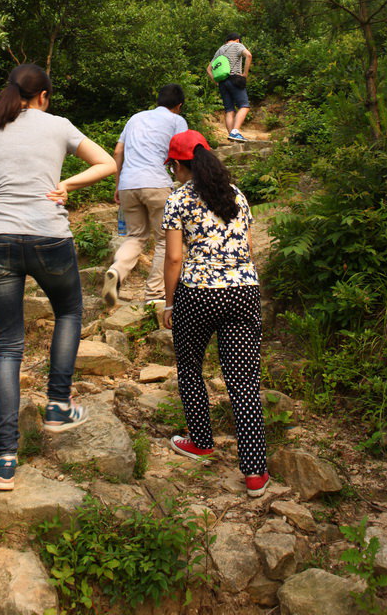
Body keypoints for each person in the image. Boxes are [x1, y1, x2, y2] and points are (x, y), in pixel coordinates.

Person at [0, 64, 116, 492]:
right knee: (69, 311)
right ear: (43, 96)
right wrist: (67, 184)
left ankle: (6, 459)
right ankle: (58, 406)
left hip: (0, 240)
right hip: (50, 237)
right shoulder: (60, 126)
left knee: (7, 347)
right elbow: (107, 163)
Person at [161, 130, 269, 498]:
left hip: (199, 294)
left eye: (172, 167)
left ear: (178, 165)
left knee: (190, 366)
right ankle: (255, 473)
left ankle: (201, 442)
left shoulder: (178, 199)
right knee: (244, 382)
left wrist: (169, 302)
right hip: (243, 291)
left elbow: (175, 257)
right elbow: (249, 247)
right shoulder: (235, 194)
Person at [102, 84, 188, 308]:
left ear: (158, 100)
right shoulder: (177, 121)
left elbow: (118, 152)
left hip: (129, 185)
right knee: (164, 239)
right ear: (178, 106)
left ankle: (116, 271)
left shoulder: (135, 118)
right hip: (157, 183)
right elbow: (182, 151)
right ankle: (155, 293)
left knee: (136, 236)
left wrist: (118, 185)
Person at [207, 33, 252, 141]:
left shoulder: (220, 50)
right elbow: (249, 55)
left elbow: (209, 69)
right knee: (244, 106)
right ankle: (235, 131)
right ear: (237, 40)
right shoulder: (237, 45)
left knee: (229, 110)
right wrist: (245, 74)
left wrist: (215, 81)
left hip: (222, 82)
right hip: (235, 79)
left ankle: (232, 136)